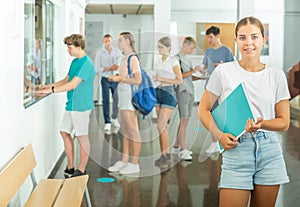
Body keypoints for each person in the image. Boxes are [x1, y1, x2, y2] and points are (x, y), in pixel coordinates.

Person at [198, 16, 290, 206]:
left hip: (269, 151)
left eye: (254, 37)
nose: (248, 43)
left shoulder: (276, 75)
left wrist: (261, 124)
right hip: (236, 150)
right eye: (242, 38)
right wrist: (219, 135)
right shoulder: (224, 72)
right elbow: (203, 109)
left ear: (263, 39)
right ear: (236, 40)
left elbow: (284, 122)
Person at [37, 34, 95, 177]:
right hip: (71, 105)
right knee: (64, 132)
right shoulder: (76, 62)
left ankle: (81, 170)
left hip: (81, 106)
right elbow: (67, 79)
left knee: (82, 137)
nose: (67, 51)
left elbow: (73, 84)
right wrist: (48, 86)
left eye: (70, 48)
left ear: (79, 47)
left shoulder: (87, 63)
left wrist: (50, 91)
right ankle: (70, 167)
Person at [108, 32, 142, 175]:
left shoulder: (133, 59)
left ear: (128, 41)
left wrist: (119, 78)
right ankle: (124, 160)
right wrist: (118, 78)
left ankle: (134, 163)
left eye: (120, 40)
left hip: (129, 98)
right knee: (126, 130)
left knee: (133, 130)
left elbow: (138, 80)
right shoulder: (125, 58)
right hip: (123, 97)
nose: (118, 42)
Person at [153, 36, 183, 168]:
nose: (159, 49)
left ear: (169, 48)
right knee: (161, 128)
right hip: (157, 92)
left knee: (160, 125)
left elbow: (179, 80)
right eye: (158, 47)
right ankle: (164, 155)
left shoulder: (173, 61)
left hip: (168, 94)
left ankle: (166, 155)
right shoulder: (158, 61)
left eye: (161, 47)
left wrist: (161, 77)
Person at [170, 36, 201, 161]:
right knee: (183, 121)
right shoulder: (176, 59)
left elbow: (188, 77)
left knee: (185, 122)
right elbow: (179, 77)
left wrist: (198, 77)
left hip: (190, 91)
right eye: (192, 48)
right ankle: (182, 150)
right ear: (185, 45)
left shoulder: (188, 59)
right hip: (182, 92)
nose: (193, 50)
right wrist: (193, 70)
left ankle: (176, 146)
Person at [94, 34, 122, 133]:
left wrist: (110, 68)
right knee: (105, 100)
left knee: (116, 99)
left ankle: (114, 118)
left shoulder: (117, 52)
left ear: (112, 41)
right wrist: (110, 68)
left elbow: (118, 66)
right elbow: (97, 69)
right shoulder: (99, 53)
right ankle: (107, 122)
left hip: (115, 78)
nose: (107, 43)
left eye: (109, 41)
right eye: (105, 41)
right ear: (103, 42)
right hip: (105, 79)